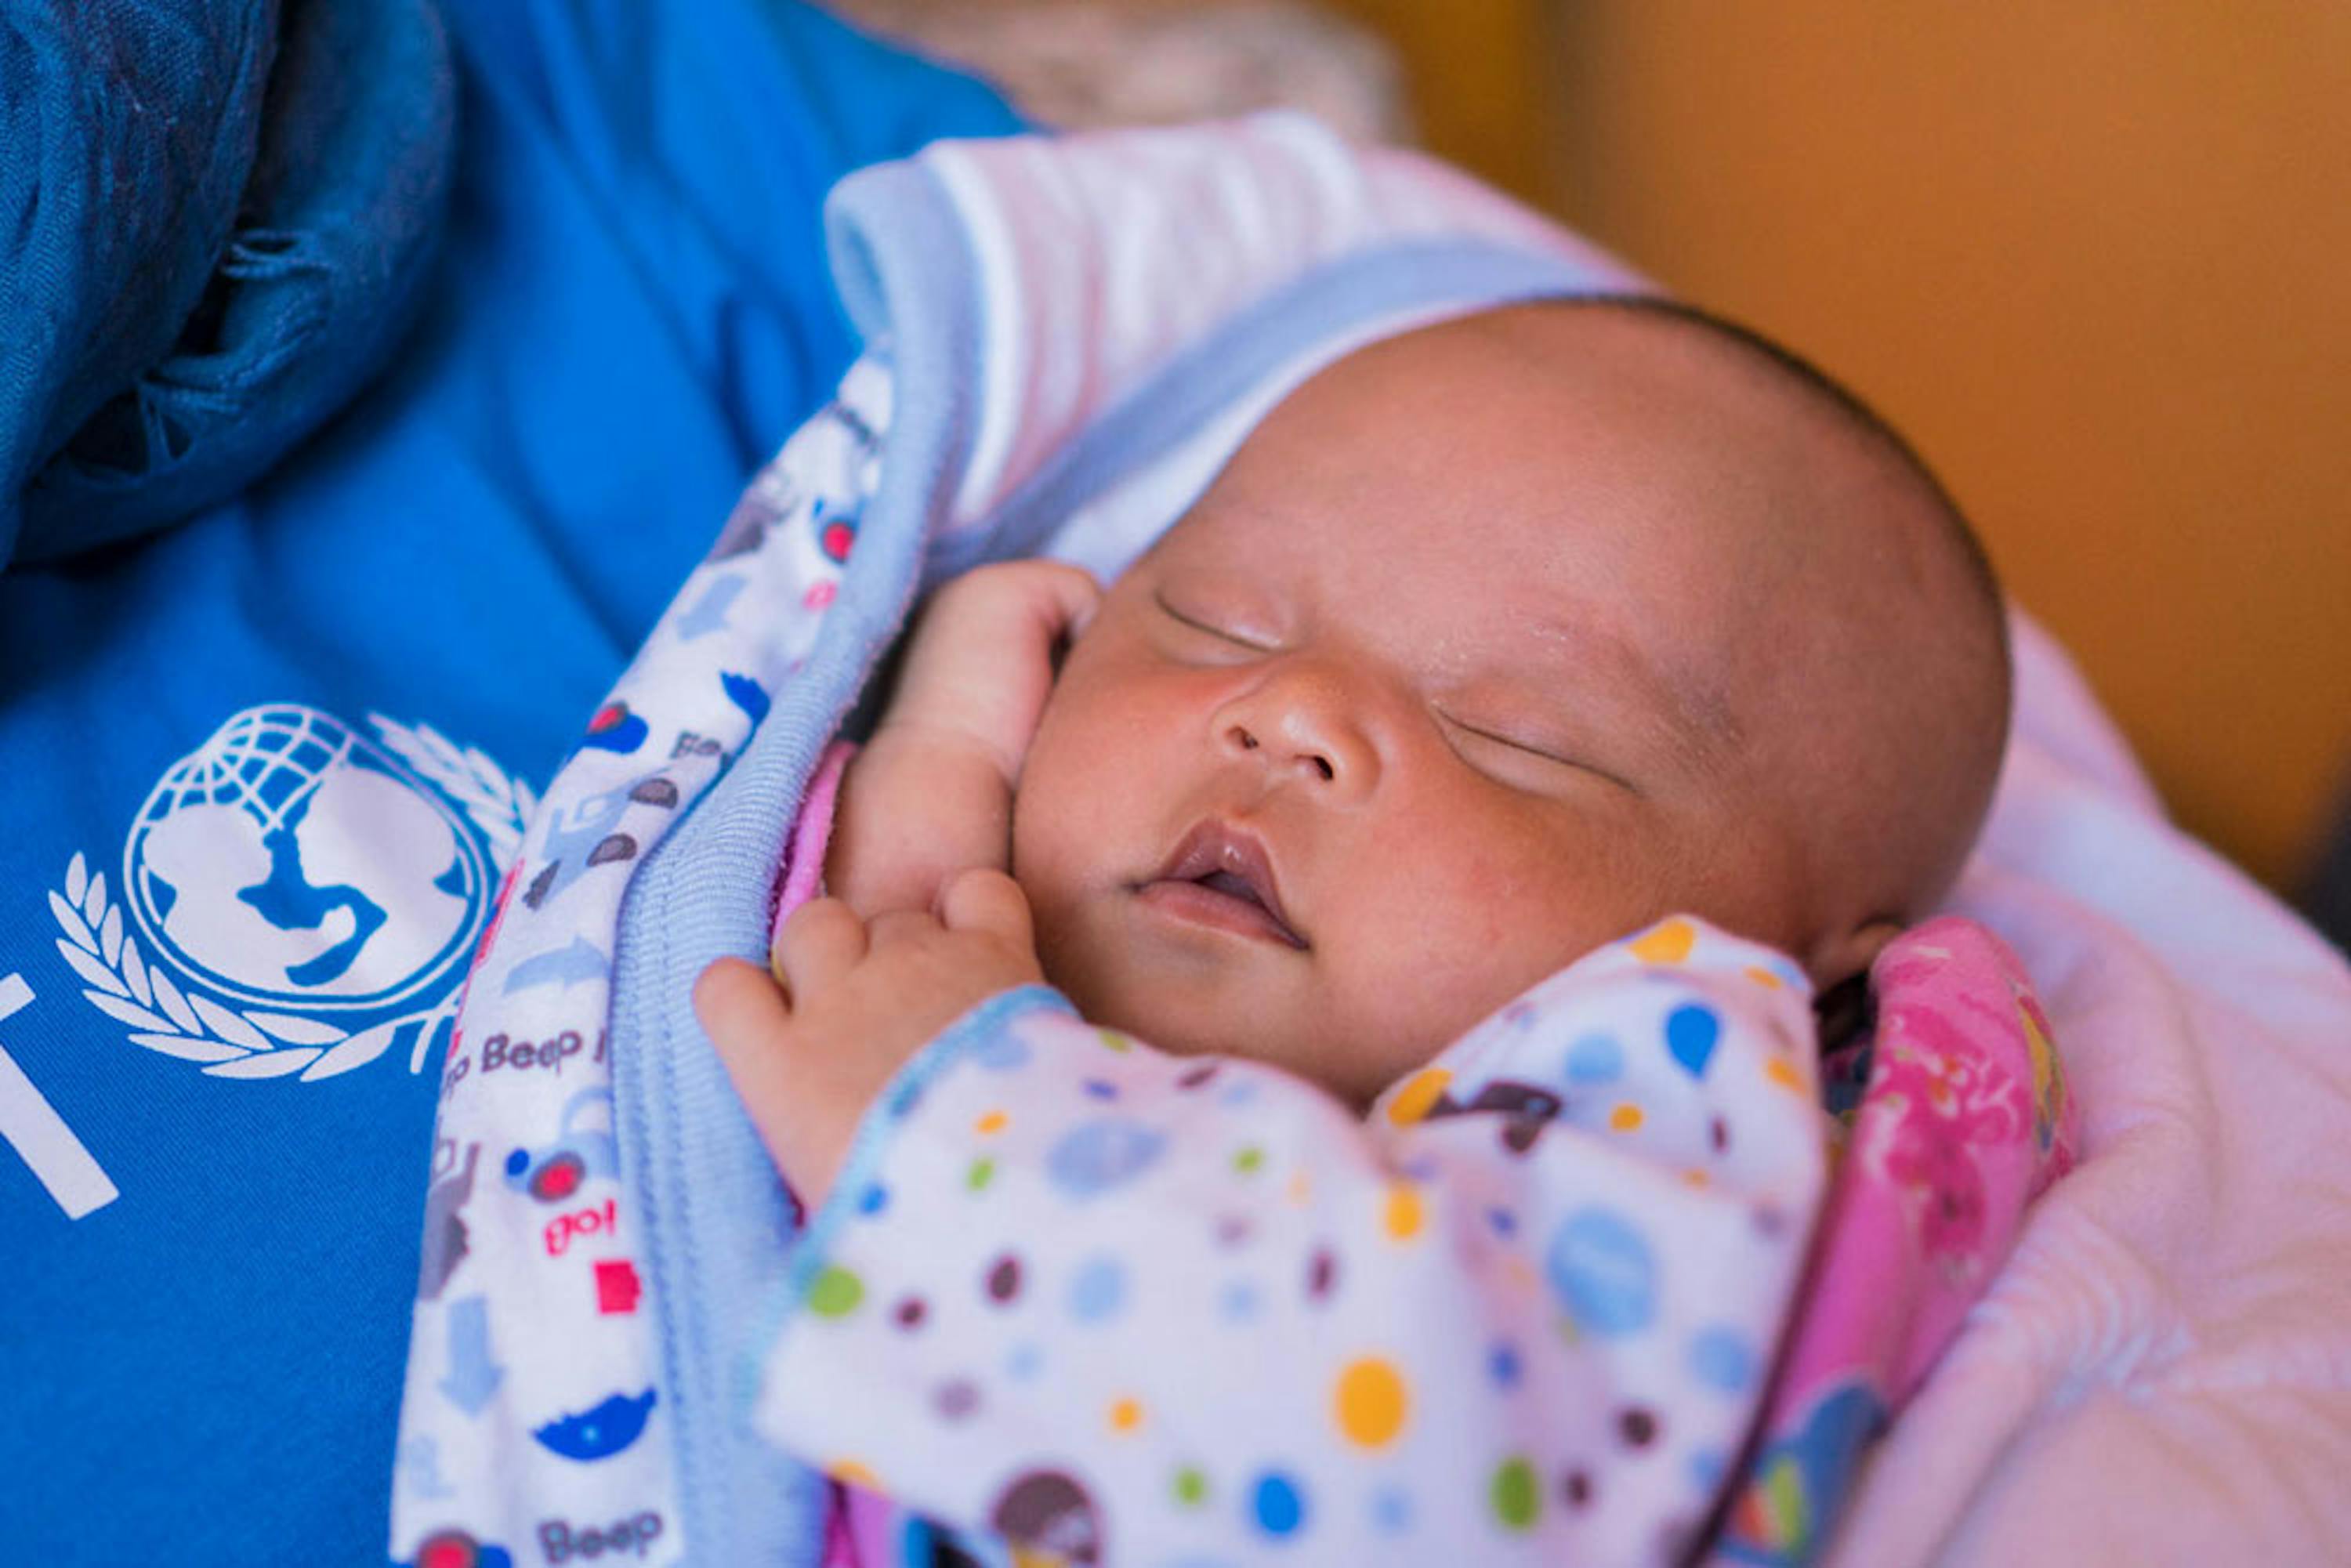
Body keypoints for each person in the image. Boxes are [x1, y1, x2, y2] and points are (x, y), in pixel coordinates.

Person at [690, 294, 2013, 1561]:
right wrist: (945, 745)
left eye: (1520, 737)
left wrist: (958, 1141)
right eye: (1216, 621)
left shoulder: (1675, 1129)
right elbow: (892, 951)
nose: (1293, 711)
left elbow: (1421, 1462)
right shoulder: (959, 848)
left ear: (1805, 980)